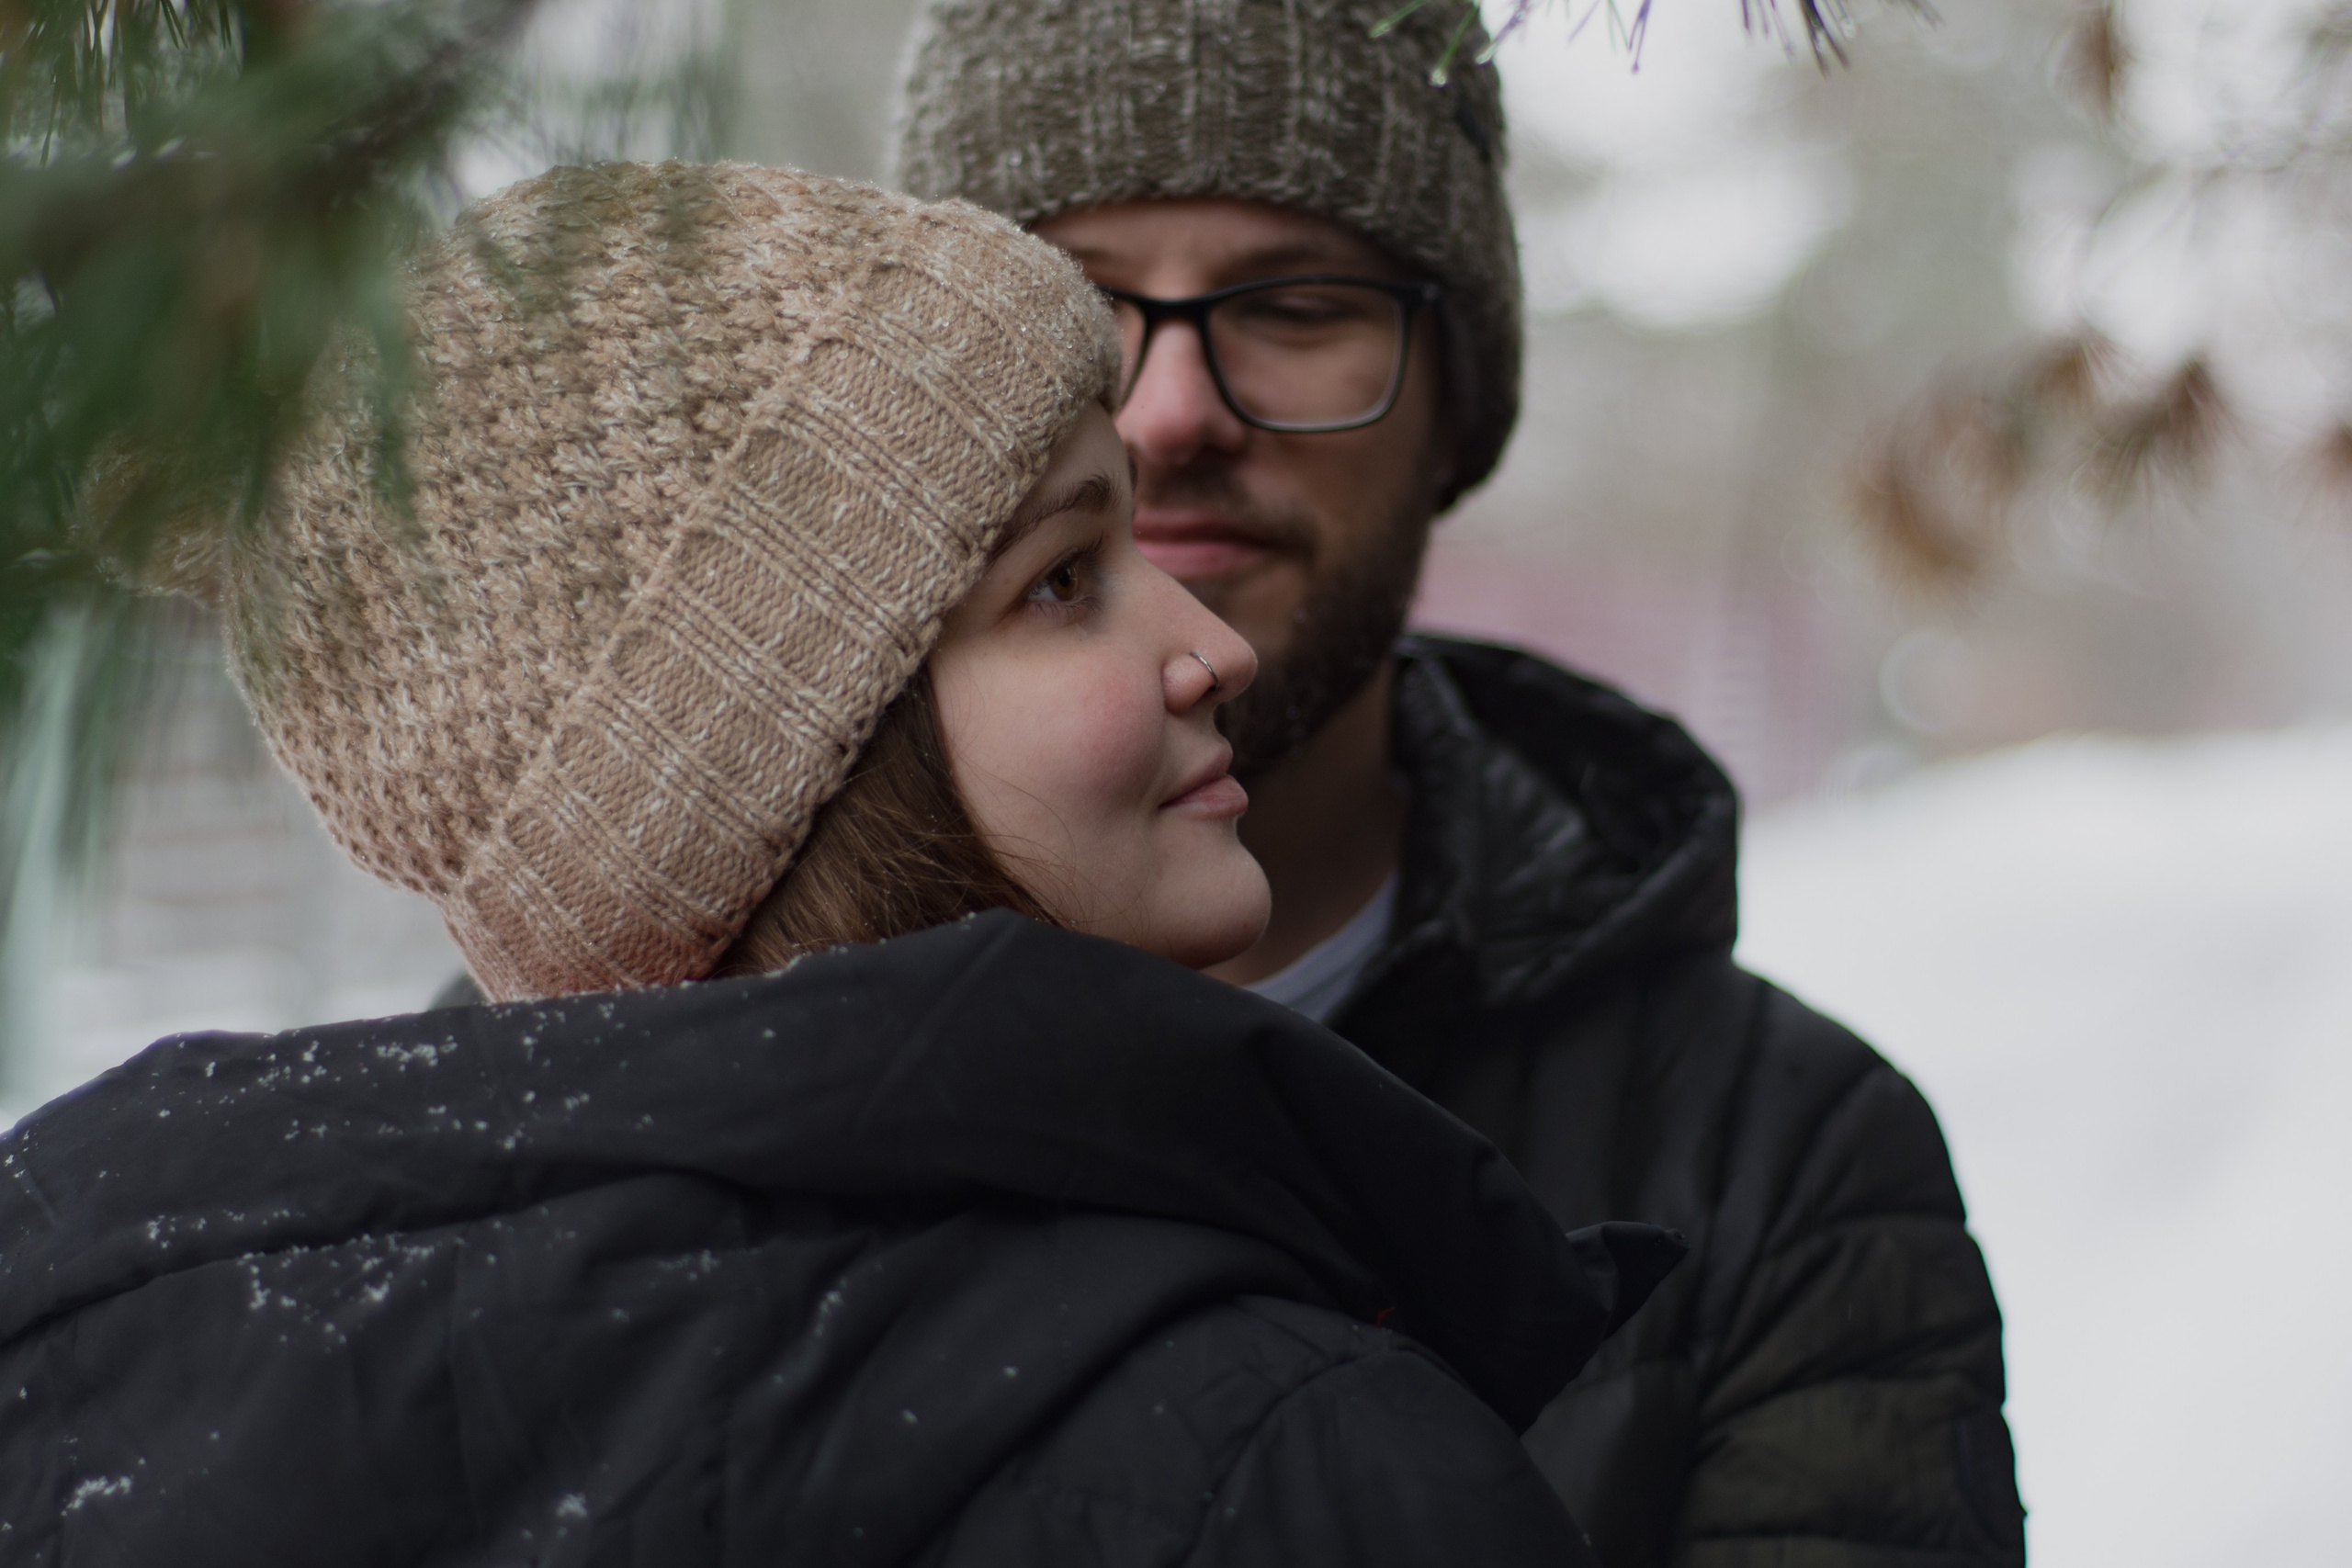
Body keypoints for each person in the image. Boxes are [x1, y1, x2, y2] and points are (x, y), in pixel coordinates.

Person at [0, 162, 1683, 1563]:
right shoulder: (1294, 1467)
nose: (1212, 648)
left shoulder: (141, 1400)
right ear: (778, 771)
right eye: (1063, 581)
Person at [891, 4, 2028, 1565]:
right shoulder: (672, 1054)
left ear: (1457, 409)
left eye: (1295, 306)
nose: (1168, 412)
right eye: (1071, 307)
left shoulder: (1774, 1164)